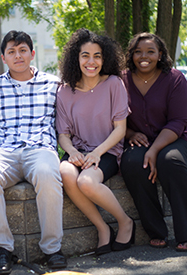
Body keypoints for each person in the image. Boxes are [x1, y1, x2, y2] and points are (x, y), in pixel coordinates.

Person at [0, 30, 67, 275]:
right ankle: (2, 249)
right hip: (5, 150)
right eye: (12, 51)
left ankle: (52, 249)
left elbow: (67, 123)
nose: (18, 56)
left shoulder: (54, 84)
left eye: (23, 50)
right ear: (3, 57)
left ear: (32, 53)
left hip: (41, 149)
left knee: (48, 174)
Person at [56, 28, 134, 256]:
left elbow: (121, 129)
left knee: (87, 183)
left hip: (107, 149)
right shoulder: (64, 91)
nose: (91, 62)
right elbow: (64, 135)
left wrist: (97, 153)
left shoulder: (113, 84)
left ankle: (125, 221)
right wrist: (71, 152)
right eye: (85, 55)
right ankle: (102, 227)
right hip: (78, 149)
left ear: (105, 58)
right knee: (66, 173)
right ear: (76, 58)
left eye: (97, 56)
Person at [120, 32, 187, 252]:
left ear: (160, 55)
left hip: (173, 138)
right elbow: (114, 118)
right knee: (133, 164)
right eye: (138, 52)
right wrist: (129, 134)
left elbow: (179, 120)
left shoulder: (175, 78)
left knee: (171, 161)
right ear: (131, 55)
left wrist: (155, 149)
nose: (143, 56)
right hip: (138, 139)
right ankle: (156, 231)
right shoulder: (122, 80)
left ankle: (184, 234)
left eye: (150, 51)